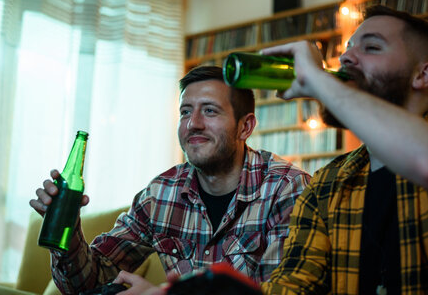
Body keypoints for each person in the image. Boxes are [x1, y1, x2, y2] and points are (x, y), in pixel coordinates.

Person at [30, 66, 311, 294]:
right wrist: (67, 230)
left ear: (245, 126)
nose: (193, 124)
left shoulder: (287, 189)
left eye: (210, 110)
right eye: (185, 111)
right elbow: (87, 284)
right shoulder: (160, 194)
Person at [260, 5, 428, 294]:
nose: (345, 57)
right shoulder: (326, 184)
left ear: (423, 75)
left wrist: (318, 79)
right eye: (347, 48)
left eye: (372, 47)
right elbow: (294, 284)